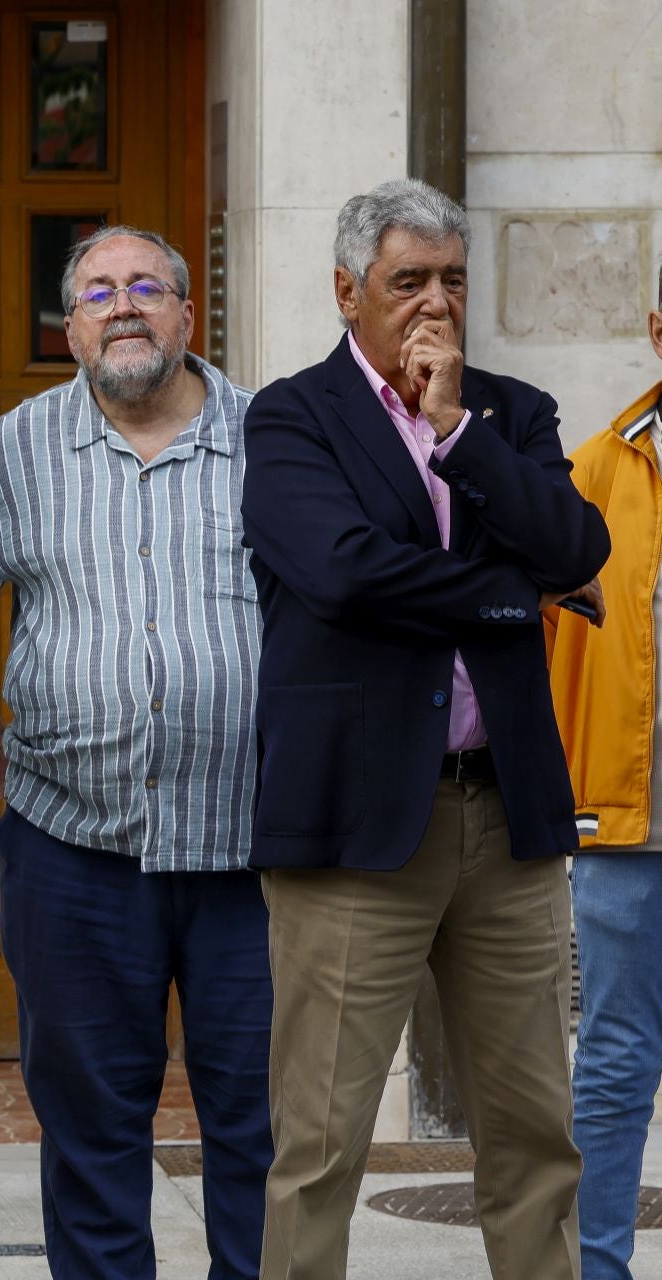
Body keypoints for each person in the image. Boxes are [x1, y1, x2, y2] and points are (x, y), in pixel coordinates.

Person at [241, 178, 608, 1279]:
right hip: (355, 828)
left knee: (535, 1136)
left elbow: (576, 546)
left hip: (507, 817)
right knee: (320, 1144)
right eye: (409, 281)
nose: (435, 304)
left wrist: (454, 430)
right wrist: (515, 596)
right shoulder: (292, 417)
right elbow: (345, 573)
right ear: (347, 291)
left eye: (452, 279)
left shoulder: (511, 414)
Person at [0, 226, 271, 1278]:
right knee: (90, 1134)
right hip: (74, 850)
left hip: (257, 852)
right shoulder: (15, 450)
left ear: (187, 314)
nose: (123, 305)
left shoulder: (276, 438)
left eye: (145, 287)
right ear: (71, 328)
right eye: (97, 292)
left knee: (267, 1130)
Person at [546, 261, 662, 1280]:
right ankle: (597, 1268)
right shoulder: (597, 470)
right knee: (617, 1059)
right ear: (659, 331)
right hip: (628, 834)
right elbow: (540, 643)